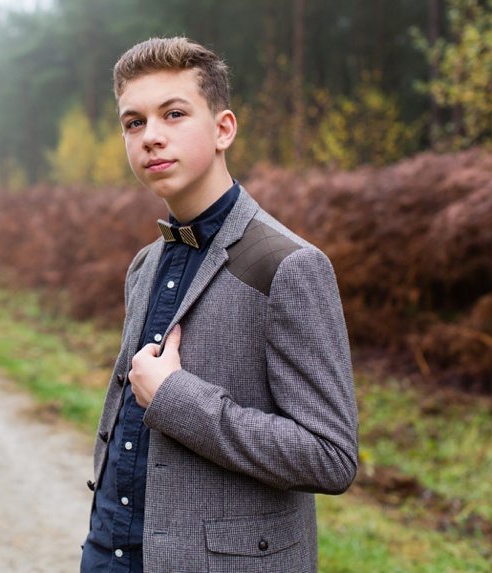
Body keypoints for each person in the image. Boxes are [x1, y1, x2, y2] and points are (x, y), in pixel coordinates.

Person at [80, 37, 359, 573]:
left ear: (223, 129)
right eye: (134, 122)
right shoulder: (144, 266)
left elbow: (331, 456)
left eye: (174, 114)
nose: (151, 136)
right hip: (111, 558)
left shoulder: (288, 265)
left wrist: (176, 397)